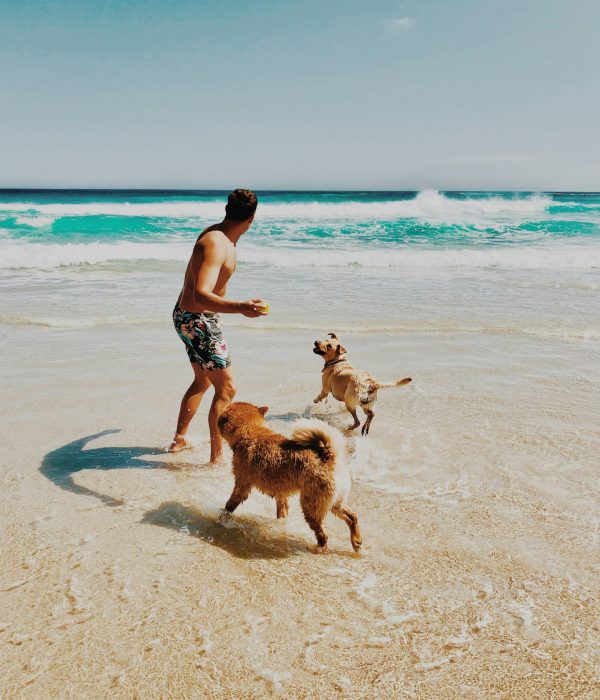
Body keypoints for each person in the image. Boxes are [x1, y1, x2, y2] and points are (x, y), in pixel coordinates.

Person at [169, 189, 265, 462]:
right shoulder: (217, 243)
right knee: (226, 389)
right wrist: (241, 307)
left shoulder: (218, 235)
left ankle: (179, 440)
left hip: (188, 317)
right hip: (198, 320)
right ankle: (217, 458)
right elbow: (200, 294)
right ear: (252, 218)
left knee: (202, 380)